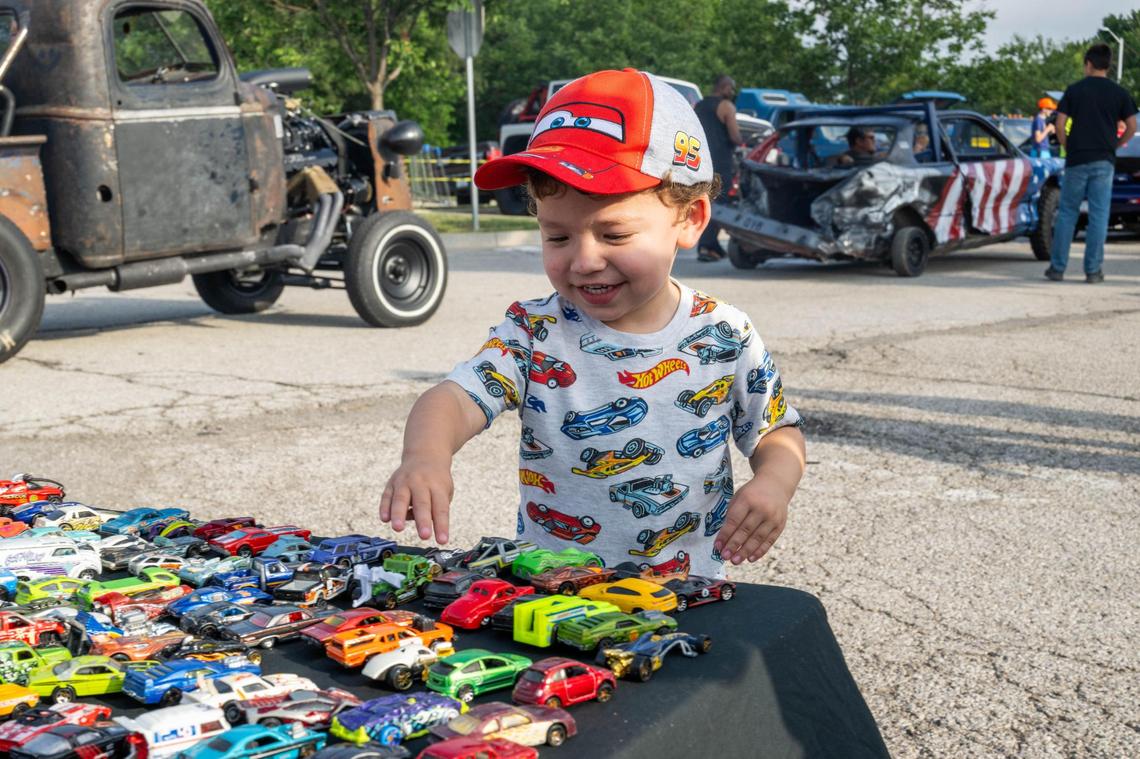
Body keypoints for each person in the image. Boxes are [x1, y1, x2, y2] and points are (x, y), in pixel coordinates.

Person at [379, 69, 806, 577]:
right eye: (557, 237)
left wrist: (775, 483)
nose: (583, 260)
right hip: (554, 589)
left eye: (615, 234)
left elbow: (775, 430)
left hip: (689, 591)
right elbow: (453, 398)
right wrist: (426, 455)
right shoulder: (534, 332)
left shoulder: (723, 335)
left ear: (689, 219)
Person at [1047, 43, 1138, 283]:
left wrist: (1068, 145)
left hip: (1077, 158)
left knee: (1067, 212)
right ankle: (1093, 270)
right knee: (1099, 214)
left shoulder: (1074, 90)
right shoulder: (1119, 93)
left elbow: (1059, 123)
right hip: (1104, 160)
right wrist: (1116, 146)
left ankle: (1057, 268)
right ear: (1109, 65)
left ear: (1088, 64)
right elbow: (1132, 126)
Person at [693, 74, 743, 262]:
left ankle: (711, 246)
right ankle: (707, 247)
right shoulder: (726, 106)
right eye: (731, 88)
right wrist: (744, 140)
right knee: (718, 204)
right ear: (724, 87)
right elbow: (735, 136)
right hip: (720, 163)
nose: (732, 92)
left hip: (700, 162)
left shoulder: (699, 105)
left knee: (702, 201)